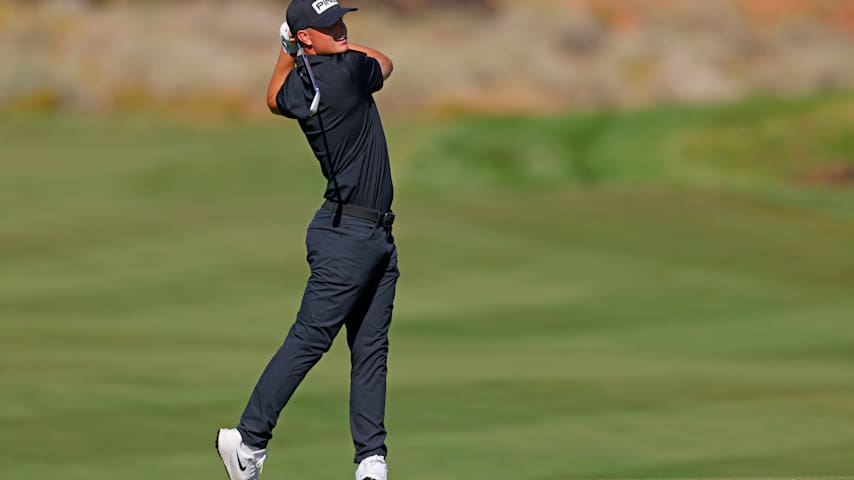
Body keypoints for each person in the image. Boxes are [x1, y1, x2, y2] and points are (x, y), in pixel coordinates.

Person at [215, 1, 397, 479]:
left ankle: (371, 461)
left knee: (371, 349)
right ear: (308, 37)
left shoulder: (304, 84)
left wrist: (288, 49)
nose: (341, 29)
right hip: (350, 234)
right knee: (311, 340)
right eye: (328, 25)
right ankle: (248, 439)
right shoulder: (347, 72)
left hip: (370, 232)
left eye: (341, 20)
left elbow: (274, 98)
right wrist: (332, 46)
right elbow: (386, 61)